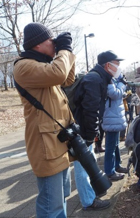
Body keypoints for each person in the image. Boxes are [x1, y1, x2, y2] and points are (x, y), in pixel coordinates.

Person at [13, 22, 75, 217]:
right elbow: (59, 74)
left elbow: (67, 78)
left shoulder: (42, 66)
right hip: (45, 146)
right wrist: (64, 50)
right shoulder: (24, 67)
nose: (55, 44)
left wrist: (67, 52)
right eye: (51, 41)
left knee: (61, 198)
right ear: (38, 44)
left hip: (57, 142)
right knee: (51, 205)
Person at [72, 51, 124, 210]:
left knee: (88, 164)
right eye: (117, 64)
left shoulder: (98, 77)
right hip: (82, 130)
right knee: (83, 167)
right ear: (108, 65)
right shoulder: (95, 79)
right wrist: (90, 135)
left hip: (83, 128)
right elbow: (90, 109)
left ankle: (90, 195)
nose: (119, 68)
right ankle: (88, 201)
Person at [102, 71, 129, 181]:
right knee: (110, 146)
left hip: (115, 116)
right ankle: (110, 171)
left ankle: (117, 166)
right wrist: (122, 84)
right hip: (111, 117)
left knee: (116, 144)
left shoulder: (112, 79)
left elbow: (119, 94)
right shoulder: (108, 79)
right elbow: (115, 94)